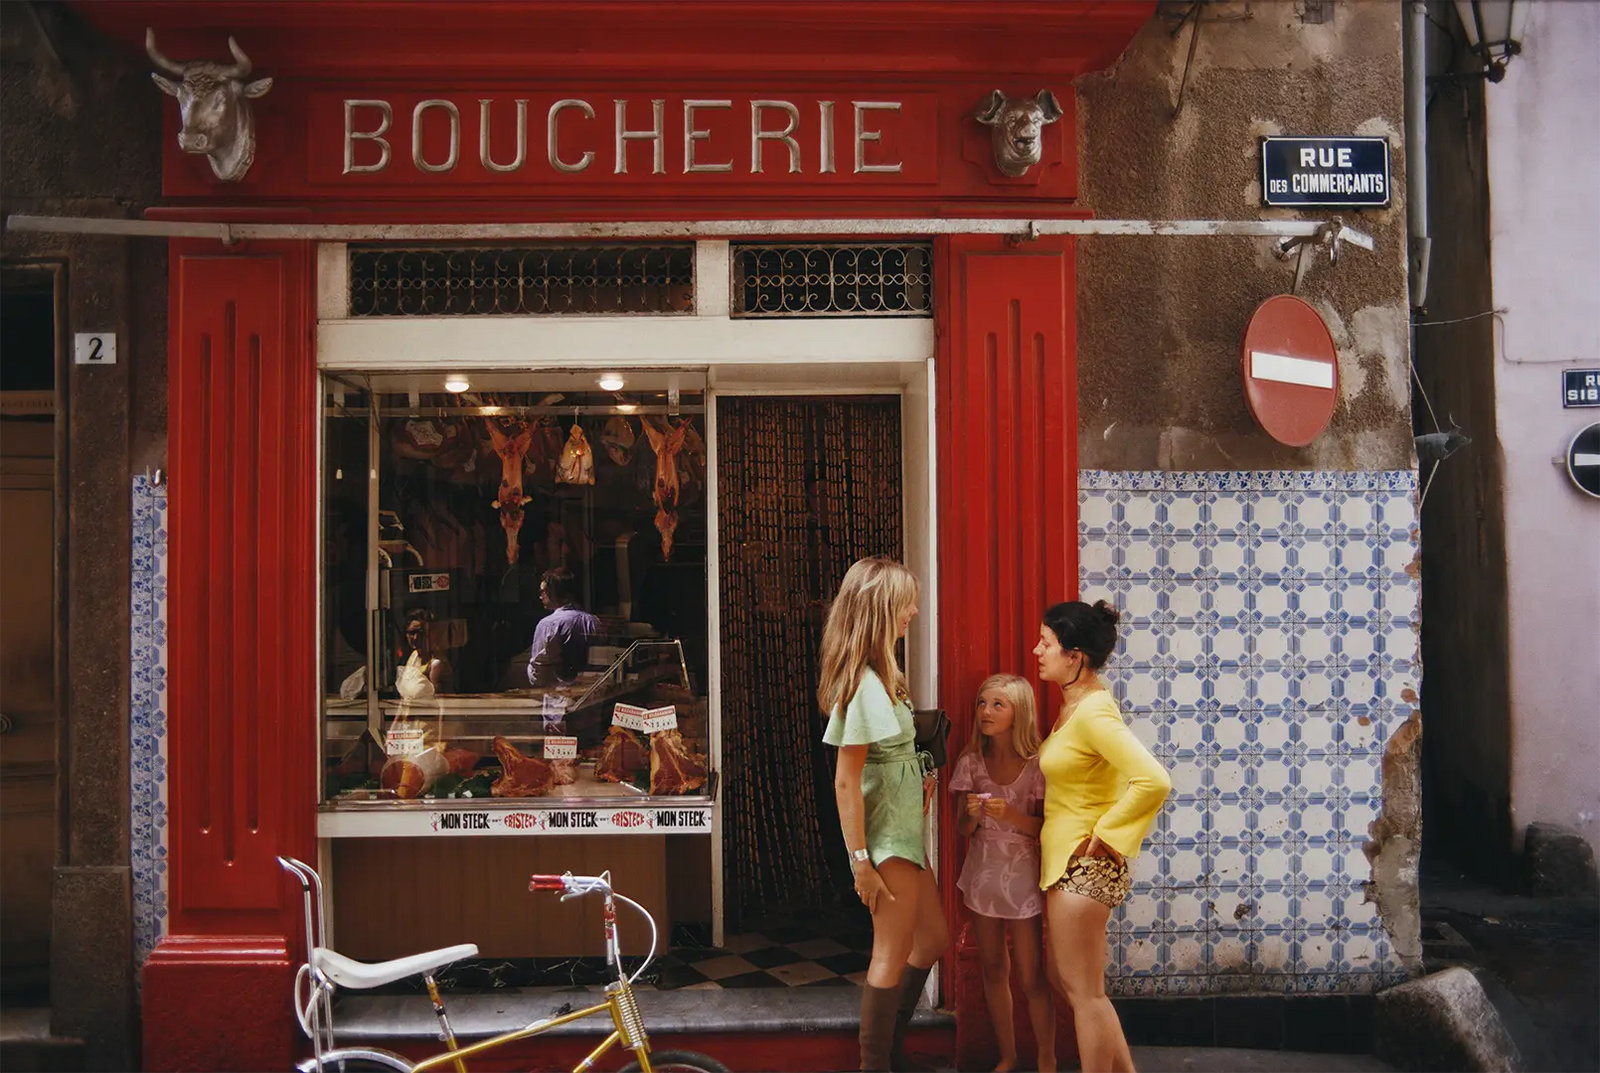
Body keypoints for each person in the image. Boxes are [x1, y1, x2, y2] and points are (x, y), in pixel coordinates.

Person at [819, 557, 948, 1073]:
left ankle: (891, 1051)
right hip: (888, 840)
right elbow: (846, 779)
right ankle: (877, 1064)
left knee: (933, 939)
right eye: (904, 603)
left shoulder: (881, 676)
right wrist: (860, 862)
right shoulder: (866, 686)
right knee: (890, 953)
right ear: (879, 610)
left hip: (903, 832)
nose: (914, 612)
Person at [1034, 600, 1171, 1073]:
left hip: (1081, 867)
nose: (1037, 651)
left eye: (1046, 644)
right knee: (1069, 980)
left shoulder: (1093, 712)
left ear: (1074, 656)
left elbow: (1153, 779)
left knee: (1085, 994)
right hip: (1066, 863)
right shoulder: (1078, 705)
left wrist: (1109, 832)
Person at [950, 675, 1054, 1073]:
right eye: (981, 704)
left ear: (1019, 712)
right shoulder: (970, 763)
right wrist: (972, 816)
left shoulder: (1038, 765)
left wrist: (1011, 815)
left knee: (1031, 974)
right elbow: (962, 829)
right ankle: (1007, 1056)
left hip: (1023, 880)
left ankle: (1046, 1058)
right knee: (993, 967)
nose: (985, 713)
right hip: (982, 878)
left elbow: (1046, 829)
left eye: (997, 705)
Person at [526, 567, 600, 686]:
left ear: (553, 592)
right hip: (588, 693)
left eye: (543, 592)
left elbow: (538, 676)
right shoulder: (592, 621)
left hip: (556, 698)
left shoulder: (547, 625)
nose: (541, 597)